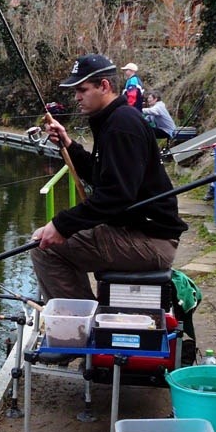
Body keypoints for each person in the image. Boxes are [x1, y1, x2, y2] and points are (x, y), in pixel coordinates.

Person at [30, 54, 188, 302]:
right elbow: (100, 176)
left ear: (104, 86)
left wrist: (61, 225)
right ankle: (88, 317)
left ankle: (79, 327)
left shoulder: (122, 125)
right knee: (49, 240)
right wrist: (69, 145)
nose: (76, 97)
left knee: (47, 250)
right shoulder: (113, 120)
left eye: (82, 90)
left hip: (151, 241)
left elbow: (115, 196)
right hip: (137, 232)